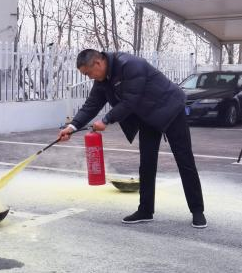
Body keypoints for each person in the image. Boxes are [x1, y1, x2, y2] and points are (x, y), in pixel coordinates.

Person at [58, 49, 206, 228]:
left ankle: (197, 211)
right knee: (147, 164)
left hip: (171, 109)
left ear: (98, 63)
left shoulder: (130, 65)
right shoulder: (102, 79)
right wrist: (72, 127)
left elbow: (130, 101)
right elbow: (92, 104)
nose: (89, 77)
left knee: (184, 160)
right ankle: (145, 210)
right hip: (148, 117)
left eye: (88, 73)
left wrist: (106, 120)